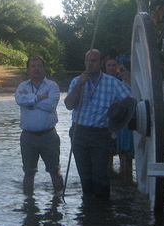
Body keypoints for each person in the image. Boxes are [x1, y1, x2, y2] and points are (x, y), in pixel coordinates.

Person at [64, 49, 131, 200]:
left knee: (100, 176)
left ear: (101, 63)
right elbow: (69, 105)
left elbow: (129, 101)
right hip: (78, 132)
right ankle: (87, 206)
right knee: (85, 175)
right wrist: (79, 85)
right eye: (87, 61)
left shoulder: (112, 82)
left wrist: (118, 121)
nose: (90, 64)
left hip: (100, 134)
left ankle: (103, 208)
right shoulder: (76, 81)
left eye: (94, 61)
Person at [15, 55, 64, 196]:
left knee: (55, 170)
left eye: (39, 66)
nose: (36, 69)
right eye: (33, 66)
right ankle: (28, 203)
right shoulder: (22, 86)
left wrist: (30, 101)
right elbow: (19, 100)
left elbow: (50, 105)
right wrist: (39, 97)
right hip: (28, 137)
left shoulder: (52, 86)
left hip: (49, 136)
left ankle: (59, 200)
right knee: (28, 173)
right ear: (28, 70)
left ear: (44, 68)